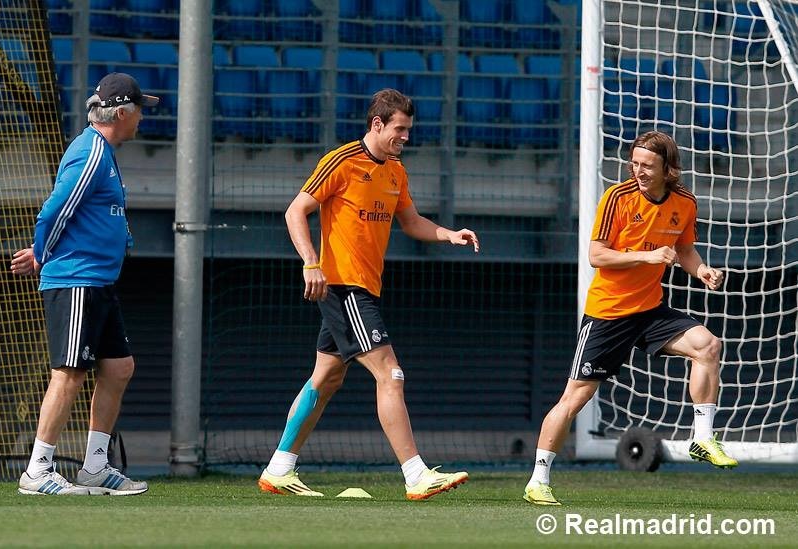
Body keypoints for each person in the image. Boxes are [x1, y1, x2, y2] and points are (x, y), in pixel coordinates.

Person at [258, 89, 480, 500]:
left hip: (366, 287)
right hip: (344, 287)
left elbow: (411, 222)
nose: (406, 137)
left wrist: (449, 234)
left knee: (326, 378)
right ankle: (415, 474)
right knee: (390, 373)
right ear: (377, 124)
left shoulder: (395, 172)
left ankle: (278, 469)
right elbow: (295, 211)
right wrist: (311, 262)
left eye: (408, 130)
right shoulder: (341, 161)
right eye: (400, 129)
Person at [523, 131, 738, 506]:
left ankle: (703, 438)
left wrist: (701, 270)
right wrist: (647, 256)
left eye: (647, 165)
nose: (638, 171)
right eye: (634, 163)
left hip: (650, 310)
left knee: (708, 345)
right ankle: (538, 480)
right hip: (609, 313)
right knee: (575, 398)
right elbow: (597, 255)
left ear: (669, 169)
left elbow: (685, 249)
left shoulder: (685, 202)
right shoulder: (617, 198)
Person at [10, 73, 158, 496]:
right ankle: (38, 471)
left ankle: (95, 467)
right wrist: (42, 253)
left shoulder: (103, 152)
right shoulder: (90, 151)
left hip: (99, 281)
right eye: (140, 111)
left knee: (119, 368)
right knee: (69, 373)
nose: (142, 119)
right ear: (122, 113)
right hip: (77, 279)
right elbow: (55, 211)